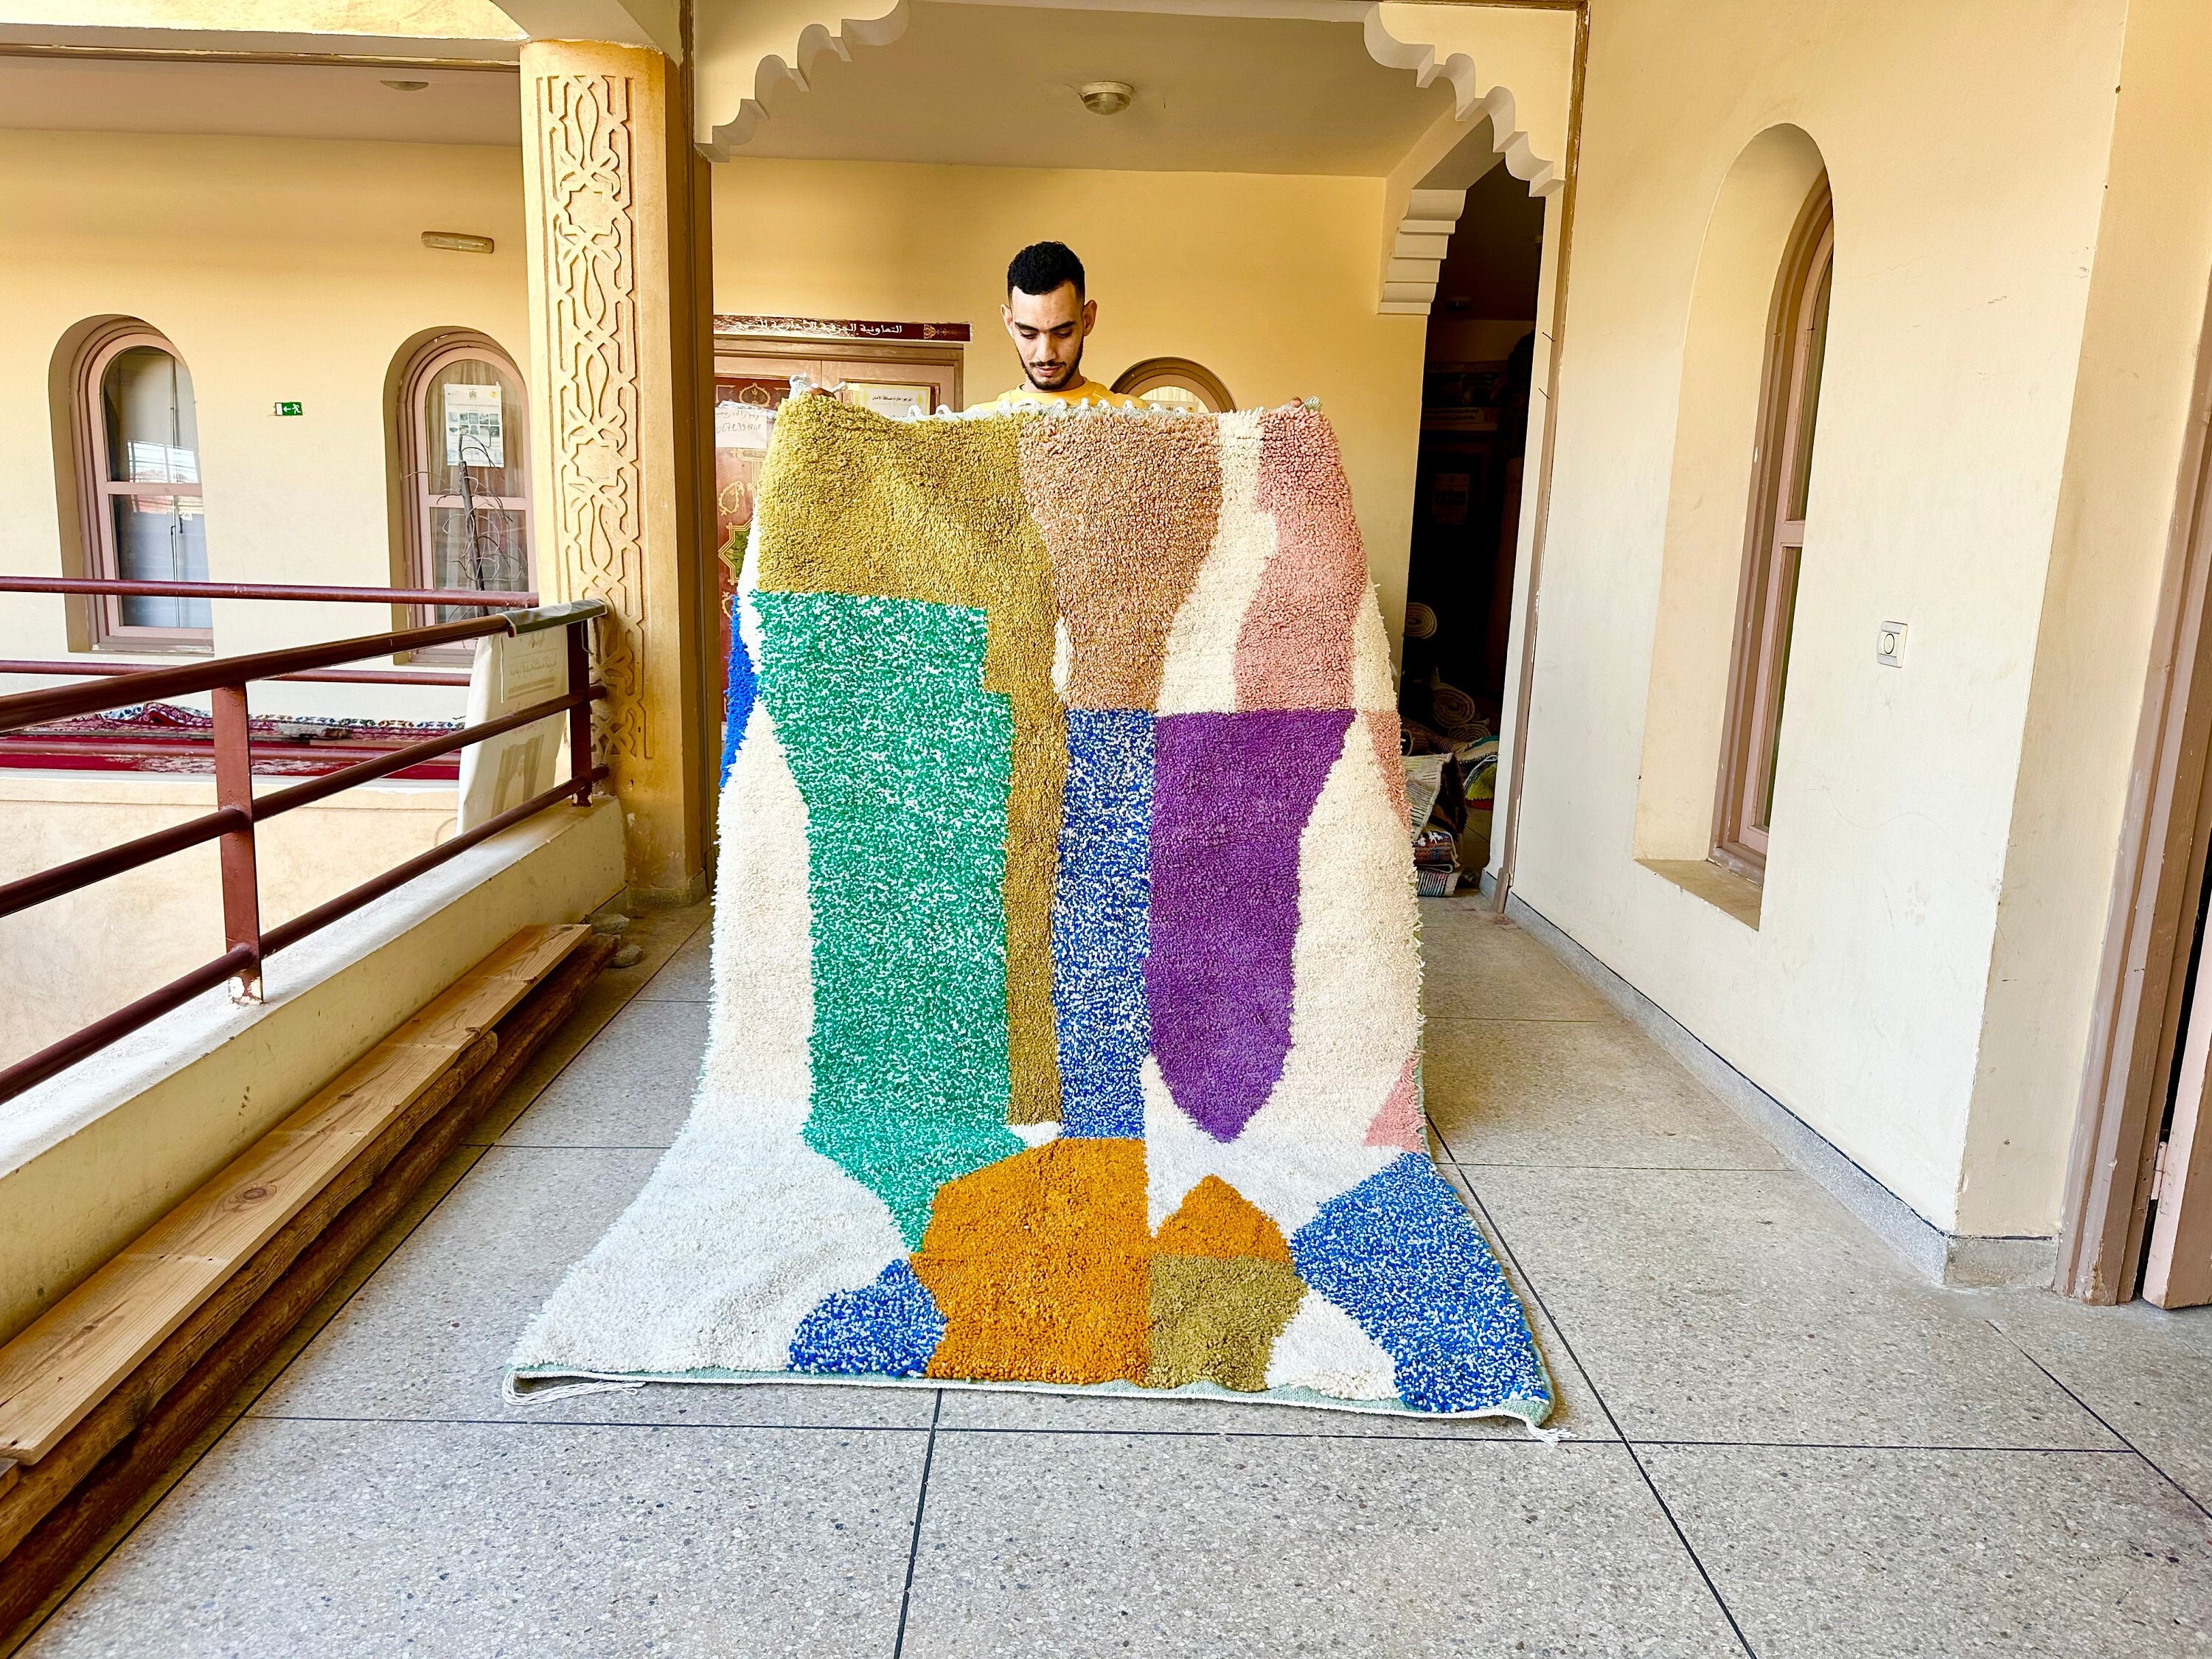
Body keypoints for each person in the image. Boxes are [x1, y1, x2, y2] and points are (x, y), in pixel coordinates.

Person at [975, 241, 1144, 411]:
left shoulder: (1135, 415)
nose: (1045, 355)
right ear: (1010, 323)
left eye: (1062, 333)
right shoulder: (977, 420)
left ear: (1087, 320)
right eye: (1029, 334)